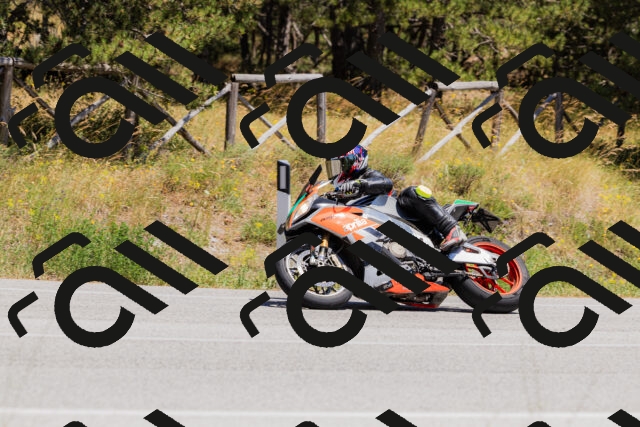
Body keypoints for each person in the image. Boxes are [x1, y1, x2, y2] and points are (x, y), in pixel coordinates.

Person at [330, 144, 466, 252]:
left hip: (407, 222)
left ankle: (452, 230)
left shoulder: (368, 176)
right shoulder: (343, 192)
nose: (337, 171)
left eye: (341, 165)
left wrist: (361, 184)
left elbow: (386, 184)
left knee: (411, 193)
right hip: (381, 236)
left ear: (354, 161)